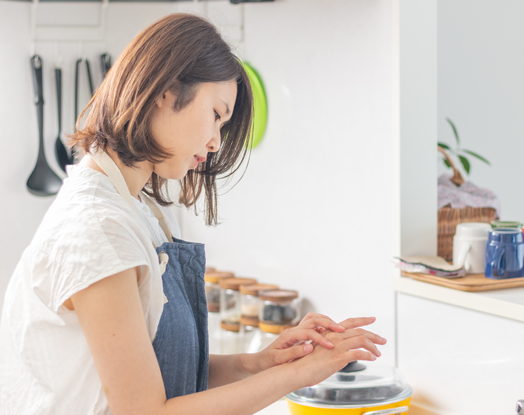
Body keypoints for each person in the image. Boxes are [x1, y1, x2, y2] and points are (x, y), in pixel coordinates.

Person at [0, 13, 386, 415]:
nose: (217, 142)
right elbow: (147, 411)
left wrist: (257, 364)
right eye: (217, 114)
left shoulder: (134, 207)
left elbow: (161, 375)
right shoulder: (99, 228)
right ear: (166, 91)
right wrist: (297, 376)